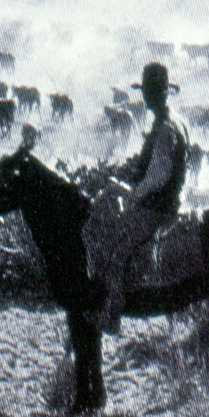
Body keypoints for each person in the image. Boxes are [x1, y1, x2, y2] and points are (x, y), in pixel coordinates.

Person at [83, 62, 190, 334]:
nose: (146, 98)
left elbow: (158, 176)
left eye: (150, 93)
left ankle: (112, 313)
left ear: (160, 95)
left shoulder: (165, 128)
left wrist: (131, 195)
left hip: (157, 207)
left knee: (116, 245)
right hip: (169, 201)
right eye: (146, 92)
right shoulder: (177, 120)